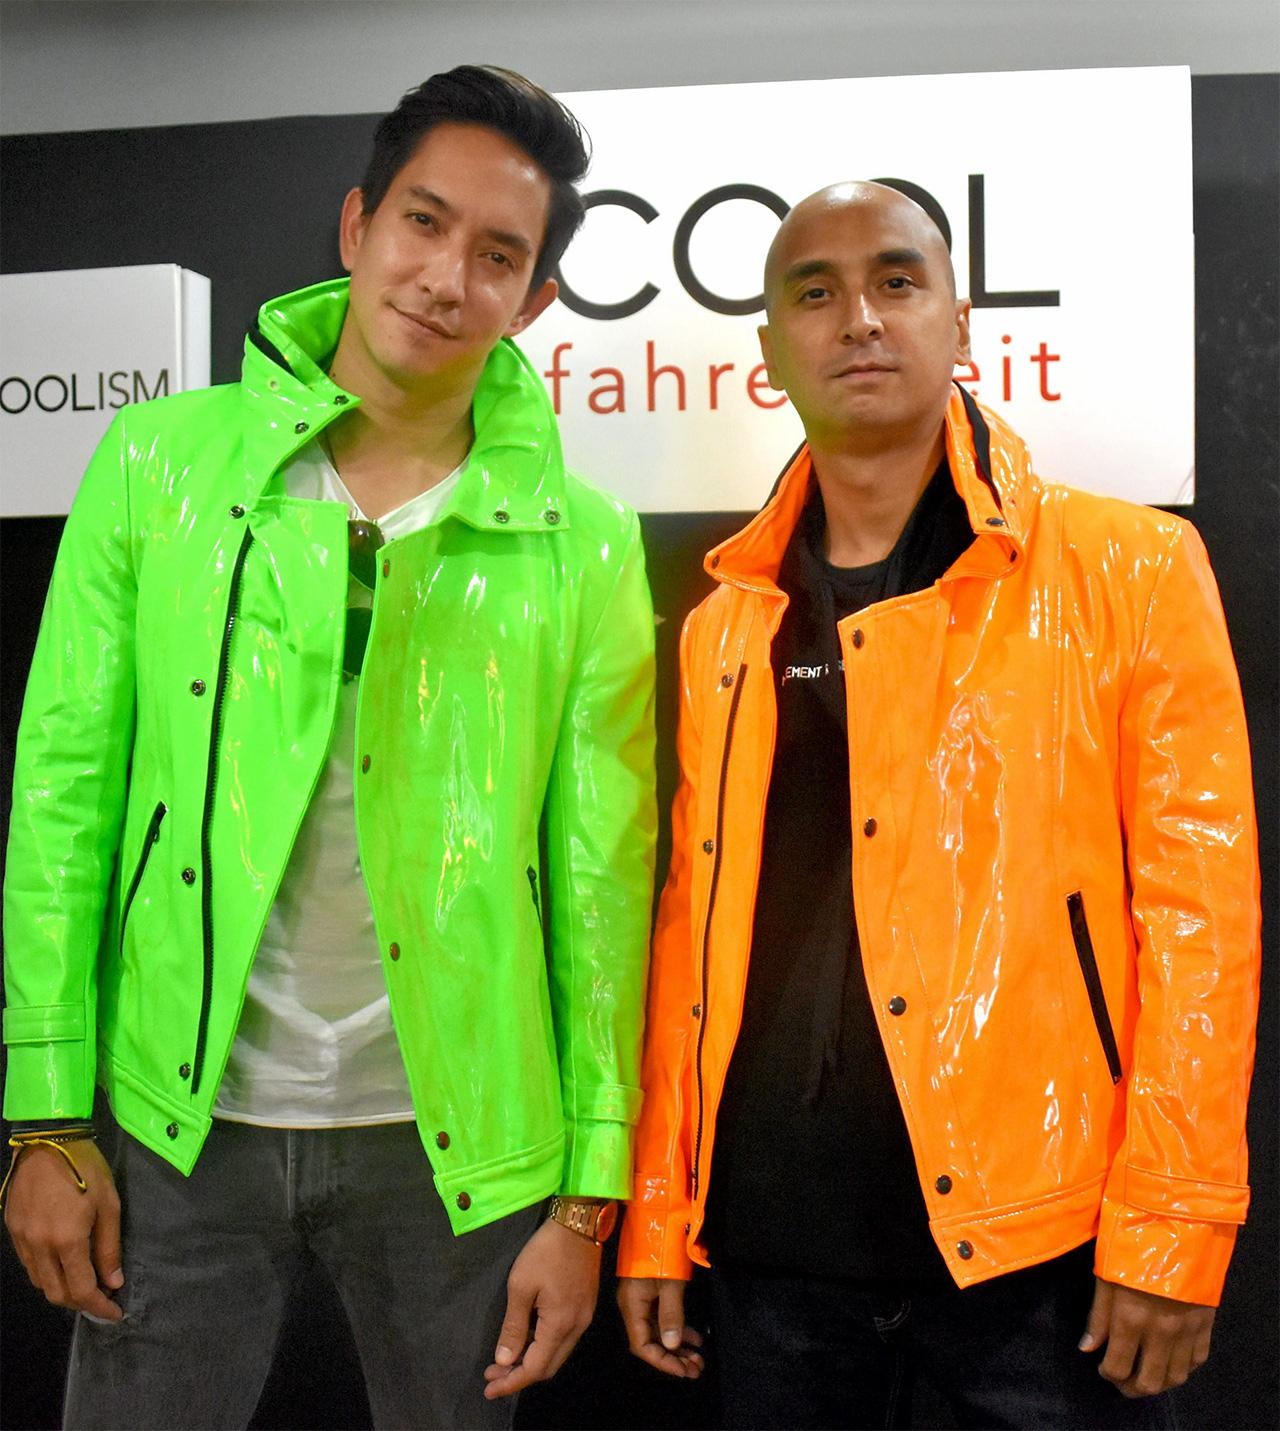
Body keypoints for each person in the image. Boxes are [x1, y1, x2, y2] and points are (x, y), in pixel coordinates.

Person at [2, 65, 655, 1431]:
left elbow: (601, 878)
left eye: (498, 255)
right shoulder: (158, 462)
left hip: (462, 1146)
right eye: (424, 222)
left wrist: (588, 1196)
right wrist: (46, 1113)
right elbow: (66, 790)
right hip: (178, 1119)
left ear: (534, 301)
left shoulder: (581, 539)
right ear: (358, 224)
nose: (446, 277)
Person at [616, 181, 1260, 1429]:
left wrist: (1173, 1222)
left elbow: (1200, 915)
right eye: (815, 292)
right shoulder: (725, 621)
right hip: (769, 1259)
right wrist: (656, 1210)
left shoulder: (1127, 569)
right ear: (768, 350)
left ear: (959, 322)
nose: (858, 317)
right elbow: (690, 929)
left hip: (1038, 1262)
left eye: (895, 281)